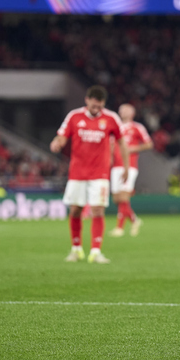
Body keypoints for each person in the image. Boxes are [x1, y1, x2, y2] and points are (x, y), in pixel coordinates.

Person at [50, 85, 129, 264]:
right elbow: (62, 136)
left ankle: (95, 251)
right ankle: (76, 249)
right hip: (77, 172)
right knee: (76, 210)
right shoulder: (74, 116)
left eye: (100, 107)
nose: (97, 110)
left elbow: (122, 143)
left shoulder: (111, 118)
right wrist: (57, 143)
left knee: (98, 210)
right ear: (87, 100)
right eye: (94, 106)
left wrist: (124, 166)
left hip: (100, 173)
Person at [108, 103, 153, 237]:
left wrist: (133, 149)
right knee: (116, 199)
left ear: (132, 113)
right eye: (121, 110)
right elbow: (110, 145)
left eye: (126, 110)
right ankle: (134, 220)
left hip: (129, 166)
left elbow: (149, 144)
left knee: (123, 196)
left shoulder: (137, 127)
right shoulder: (115, 128)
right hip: (115, 166)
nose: (123, 112)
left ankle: (119, 228)